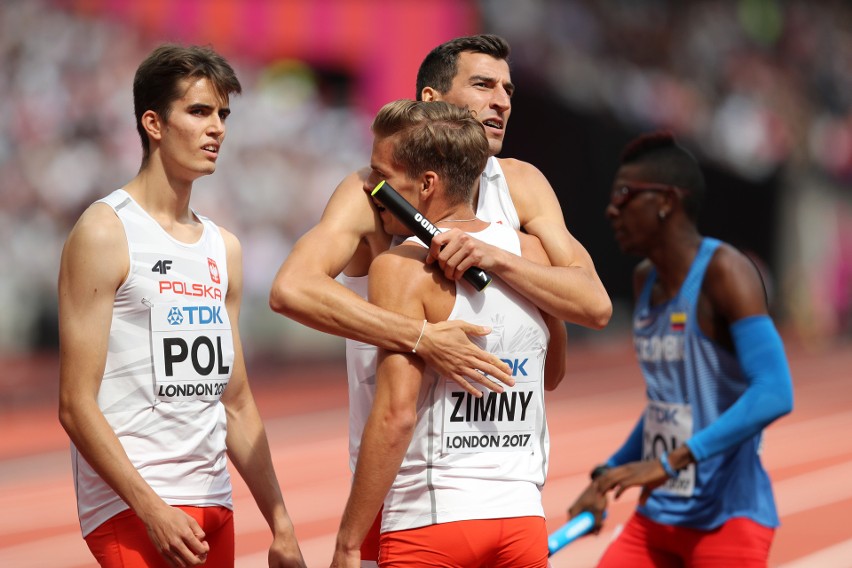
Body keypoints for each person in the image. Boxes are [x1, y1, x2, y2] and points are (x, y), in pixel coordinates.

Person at [269, 34, 611, 565]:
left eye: (508, 89)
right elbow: (291, 289)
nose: (501, 101)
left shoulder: (520, 185)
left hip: (501, 473)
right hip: (399, 477)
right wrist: (421, 338)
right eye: (483, 85)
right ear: (432, 101)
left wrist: (495, 258)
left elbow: (593, 304)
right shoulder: (375, 190)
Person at [58, 44, 306, 568]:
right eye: (198, 112)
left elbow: (235, 402)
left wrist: (281, 523)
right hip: (136, 507)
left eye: (223, 115)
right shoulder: (106, 231)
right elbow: (75, 405)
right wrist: (152, 509)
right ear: (153, 123)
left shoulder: (224, 248)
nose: (217, 128)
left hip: (213, 501)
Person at [331, 99, 567, 568]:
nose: (373, 192)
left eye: (382, 177)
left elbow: (396, 416)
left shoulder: (401, 268)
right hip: (522, 519)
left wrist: (349, 541)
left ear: (426, 186)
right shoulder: (533, 254)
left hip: (432, 521)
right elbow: (552, 373)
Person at [566, 131, 794, 567]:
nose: (610, 209)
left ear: (666, 201)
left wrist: (670, 462)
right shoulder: (644, 281)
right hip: (659, 517)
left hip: (727, 519)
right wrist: (606, 474)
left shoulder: (726, 272)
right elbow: (666, 406)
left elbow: (775, 391)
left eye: (624, 195)